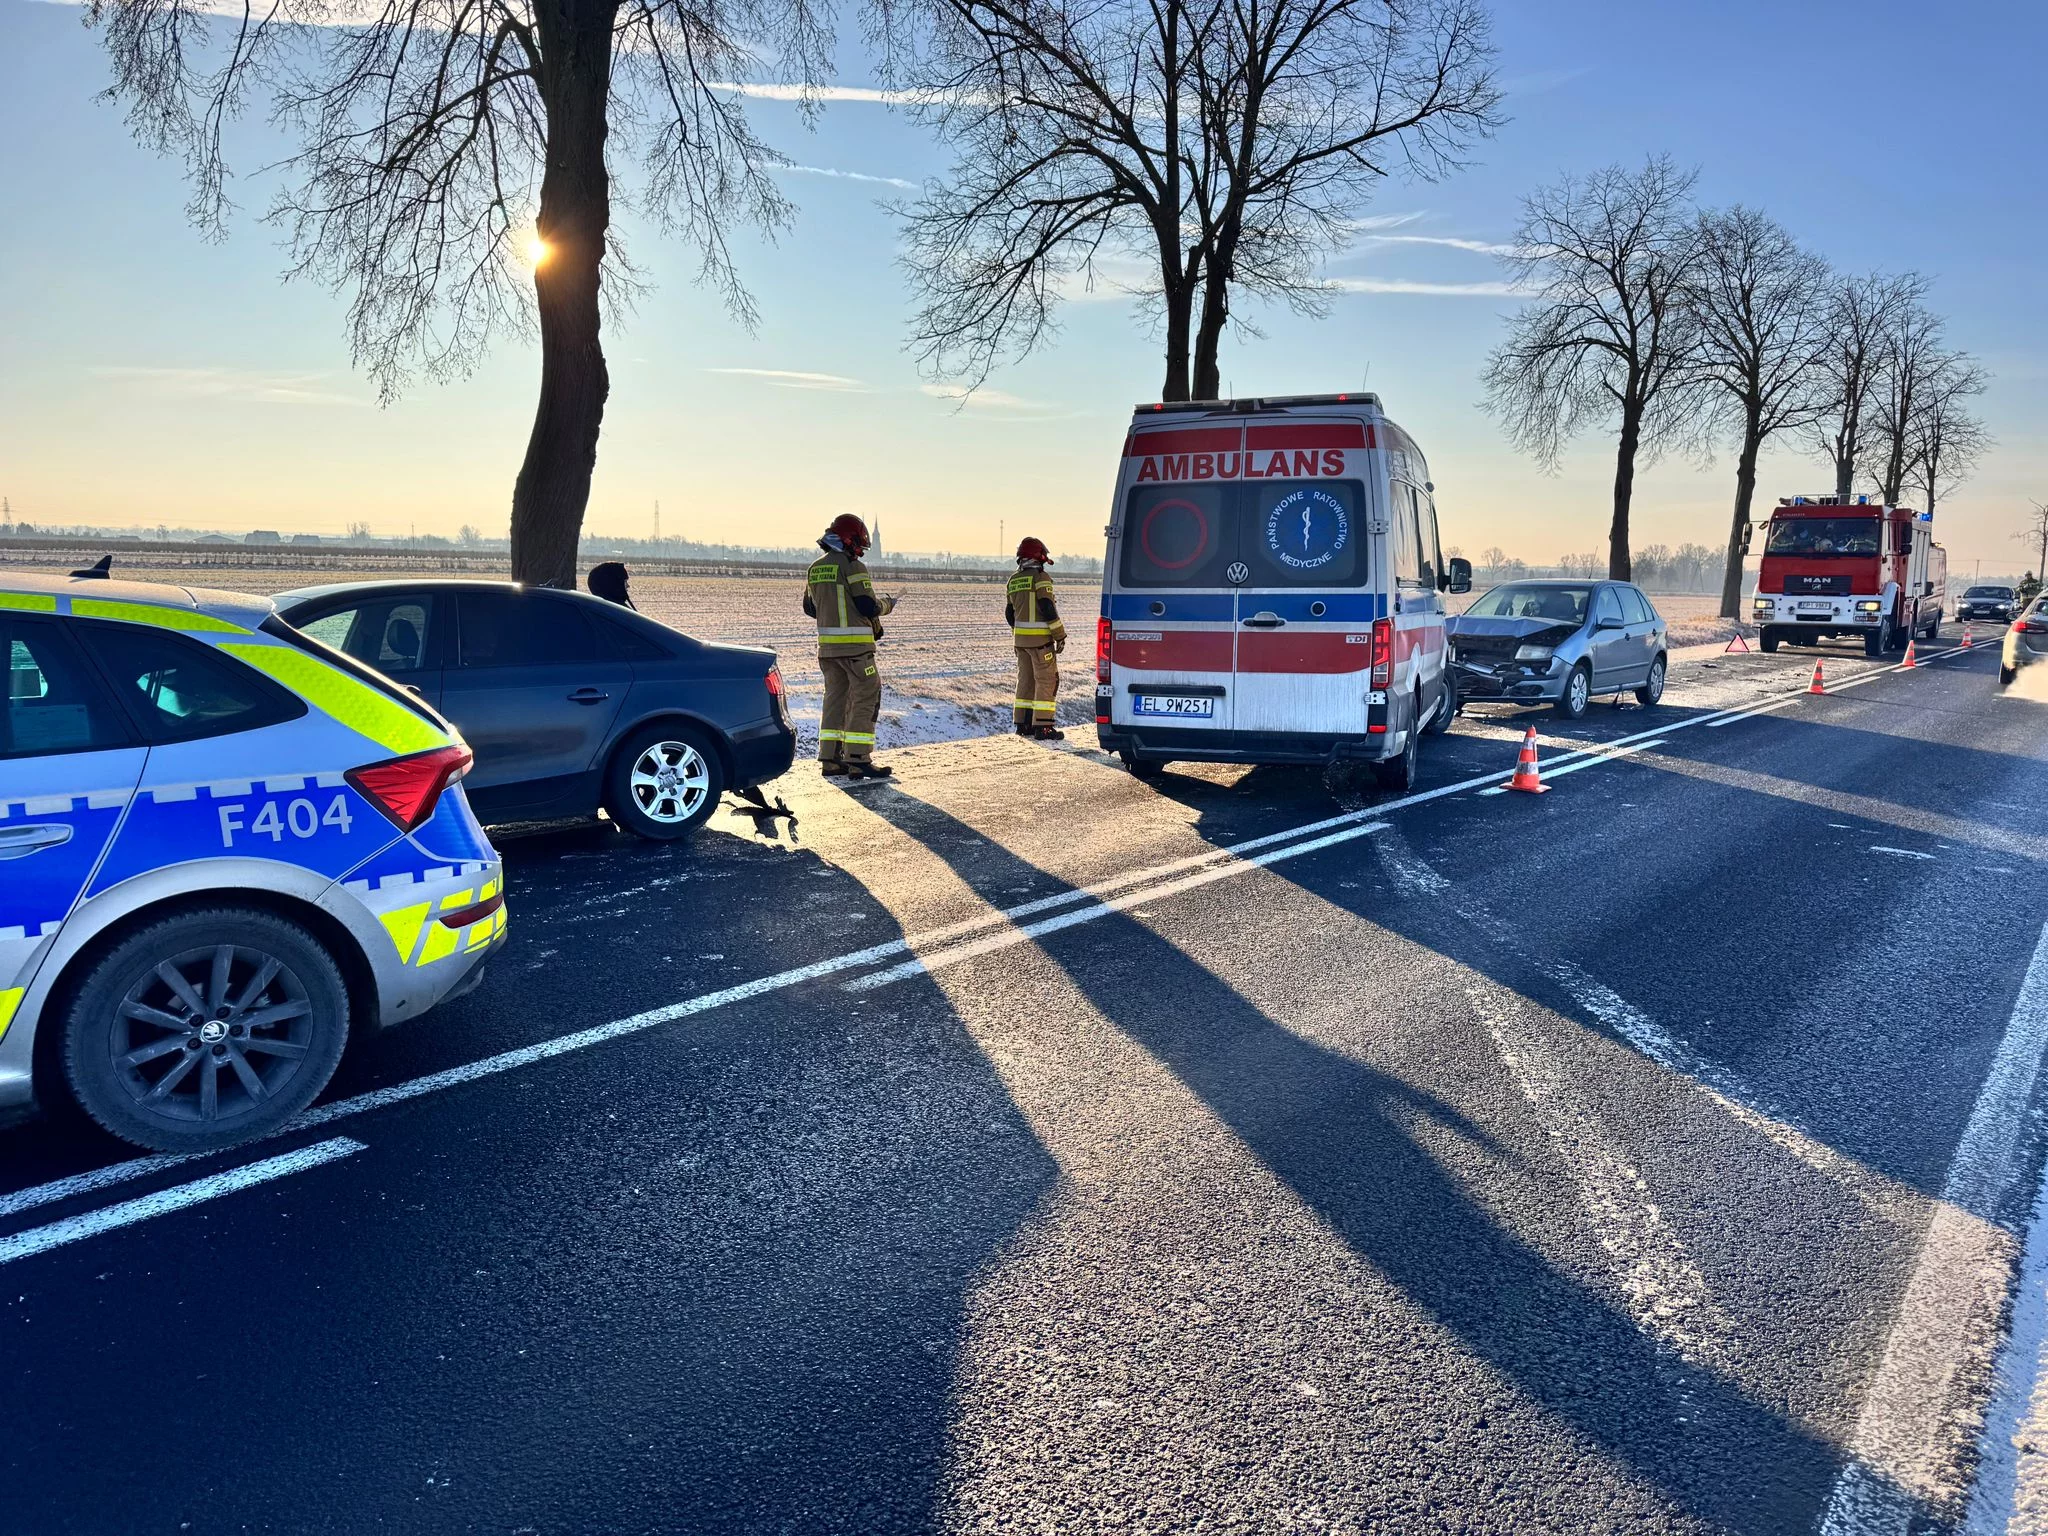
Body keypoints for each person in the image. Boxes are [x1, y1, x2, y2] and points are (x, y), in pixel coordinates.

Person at [802, 514, 896, 778]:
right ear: (849, 540)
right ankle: (858, 757)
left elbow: (810, 608)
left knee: (835, 699)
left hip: (827, 651)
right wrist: (886, 605)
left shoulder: (815, 568)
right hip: (855, 649)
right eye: (859, 545)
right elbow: (867, 605)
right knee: (867, 694)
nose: (861, 552)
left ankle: (830, 759)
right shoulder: (853, 567)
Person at [1005, 537, 1067, 740]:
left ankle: (1023, 724)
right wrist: (1059, 635)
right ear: (1038, 558)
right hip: (1041, 643)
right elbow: (1047, 608)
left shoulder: (1013, 580)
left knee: (1025, 681)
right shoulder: (1041, 578)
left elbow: (1009, 613)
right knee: (1047, 681)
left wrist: (1018, 632)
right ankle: (1043, 727)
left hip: (1020, 642)